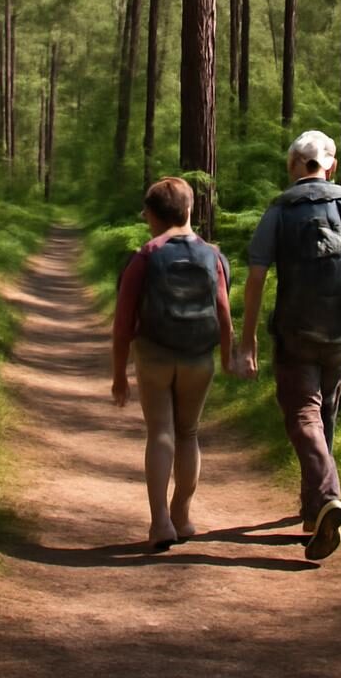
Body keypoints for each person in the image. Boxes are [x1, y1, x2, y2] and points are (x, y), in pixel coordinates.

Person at [236, 131, 341, 562]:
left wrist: (248, 342)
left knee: (303, 414)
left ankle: (326, 497)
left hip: (296, 328)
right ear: (329, 165)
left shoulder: (282, 209)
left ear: (294, 165)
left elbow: (257, 276)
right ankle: (313, 510)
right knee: (326, 414)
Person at [112, 177, 234, 550]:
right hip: (199, 358)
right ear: (190, 210)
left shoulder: (146, 255)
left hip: (154, 356)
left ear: (151, 215)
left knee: (160, 433)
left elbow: (123, 322)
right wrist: (228, 357)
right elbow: (224, 310)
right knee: (189, 433)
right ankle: (182, 513)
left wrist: (119, 374)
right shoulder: (212, 255)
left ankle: (160, 522)